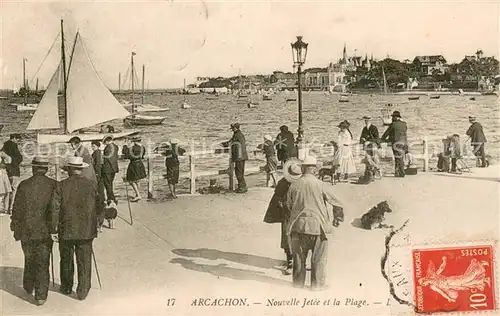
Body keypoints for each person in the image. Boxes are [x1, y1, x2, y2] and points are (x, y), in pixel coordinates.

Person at [286, 156, 344, 290]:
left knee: (299, 259)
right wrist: (337, 217)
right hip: (318, 227)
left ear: (302, 168)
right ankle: (317, 286)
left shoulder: (294, 185)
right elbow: (337, 202)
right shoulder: (320, 184)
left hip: (297, 226)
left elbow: (288, 205)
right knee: (318, 259)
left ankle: (297, 284)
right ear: (314, 169)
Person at [51, 156, 101, 300]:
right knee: (84, 259)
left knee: (66, 258)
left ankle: (66, 287)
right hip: (86, 229)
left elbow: (55, 209)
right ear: (80, 169)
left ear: (68, 170)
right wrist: (98, 222)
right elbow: (99, 205)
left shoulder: (61, 185)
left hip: (66, 228)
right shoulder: (91, 184)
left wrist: (53, 229)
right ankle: (83, 290)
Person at [10, 156, 57, 306]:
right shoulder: (54, 185)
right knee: (43, 261)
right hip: (45, 231)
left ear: (33, 168)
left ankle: (28, 286)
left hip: (26, 230)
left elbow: (16, 209)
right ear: (47, 169)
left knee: (29, 258)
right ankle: (41, 296)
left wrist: (15, 227)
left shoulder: (24, 185)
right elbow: (57, 210)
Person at [263, 159, 302, 275]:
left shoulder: (284, 182)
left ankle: (294, 260)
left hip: (294, 213)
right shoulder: (285, 183)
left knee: (290, 236)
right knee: (290, 237)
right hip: (290, 213)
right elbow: (278, 198)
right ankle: (291, 260)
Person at [222, 123, 248, 193]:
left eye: (233, 128)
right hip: (243, 156)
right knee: (241, 172)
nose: (232, 130)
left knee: (238, 172)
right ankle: (242, 187)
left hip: (239, 156)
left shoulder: (236, 135)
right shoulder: (240, 134)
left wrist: (223, 144)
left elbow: (230, 143)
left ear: (235, 128)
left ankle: (242, 187)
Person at [381, 111, 408, 178]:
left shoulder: (393, 124)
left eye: (393, 117)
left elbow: (386, 133)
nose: (392, 118)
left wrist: (382, 139)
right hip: (404, 143)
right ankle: (397, 172)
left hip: (396, 143)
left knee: (398, 158)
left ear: (396, 117)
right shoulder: (404, 124)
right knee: (400, 157)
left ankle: (401, 172)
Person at [2, 133, 23, 214]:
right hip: (14, 171)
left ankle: (5, 208)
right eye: (18, 139)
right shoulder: (13, 145)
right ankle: (10, 209)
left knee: (7, 190)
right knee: (13, 190)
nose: (18, 141)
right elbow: (19, 158)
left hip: (6, 171)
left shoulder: (4, 145)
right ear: (14, 138)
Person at [123, 136, 146, 202]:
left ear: (134, 141)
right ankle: (137, 194)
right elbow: (143, 155)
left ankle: (138, 195)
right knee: (137, 180)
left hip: (134, 164)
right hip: (140, 163)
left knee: (131, 180)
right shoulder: (142, 147)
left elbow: (125, 153)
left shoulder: (133, 147)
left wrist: (125, 145)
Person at [102, 135, 119, 205]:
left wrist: (102, 156)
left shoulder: (108, 147)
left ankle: (112, 199)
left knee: (107, 185)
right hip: (114, 168)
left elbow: (108, 157)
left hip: (107, 168)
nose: (104, 143)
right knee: (110, 184)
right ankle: (110, 198)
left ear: (107, 141)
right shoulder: (115, 146)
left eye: (104, 142)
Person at [91, 141, 105, 221]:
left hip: (97, 173)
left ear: (96, 146)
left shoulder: (97, 153)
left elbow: (97, 164)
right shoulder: (98, 152)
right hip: (98, 173)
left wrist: (96, 173)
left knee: (99, 188)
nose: (92, 147)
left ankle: (100, 203)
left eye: (93, 146)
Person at [0, 148, 12, 215]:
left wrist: (5, 155)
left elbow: (9, 161)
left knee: (7, 192)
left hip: (4, 174)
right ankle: (1, 209)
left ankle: (5, 209)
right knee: (2, 193)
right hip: (1, 174)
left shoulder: (4, 156)